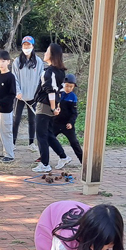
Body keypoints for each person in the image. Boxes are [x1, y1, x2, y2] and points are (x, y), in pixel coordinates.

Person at [32, 43, 67, 173]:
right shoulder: (60, 72)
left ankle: (45, 164)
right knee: (48, 134)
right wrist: (57, 107)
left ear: (52, 54)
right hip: (51, 106)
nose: (45, 52)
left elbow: (51, 92)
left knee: (41, 135)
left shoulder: (50, 72)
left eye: (47, 50)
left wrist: (54, 108)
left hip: (45, 106)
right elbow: (60, 92)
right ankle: (63, 156)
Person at [12, 36, 45, 152]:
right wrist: (18, 92)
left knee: (33, 120)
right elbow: (14, 78)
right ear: (22, 46)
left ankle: (31, 143)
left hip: (33, 97)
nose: (26, 47)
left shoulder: (39, 62)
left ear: (33, 46)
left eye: (28, 45)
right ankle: (13, 143)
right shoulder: (16, 61)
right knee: (16, 120)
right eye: (24, 45)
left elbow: (42, 78)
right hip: (19, 97)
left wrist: (38, 93)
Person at [0, 50, 17, 163]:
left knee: (5, 131)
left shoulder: (10, 77)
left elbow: (12, 94)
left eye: (3, 61)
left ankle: (9, 154)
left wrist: (1, 102)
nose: (0, 64)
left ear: (8, 62)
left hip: (5, 110)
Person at [51, 73, 82, 167]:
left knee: (74, 142)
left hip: (67, 124)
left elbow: (74, 113)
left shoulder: (73, 97)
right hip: (56, 123)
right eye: (67, 86)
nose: (69, 88)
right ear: (63, 84)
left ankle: (83, 161)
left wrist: (71, 123)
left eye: (71, 87)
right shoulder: (58, 94)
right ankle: (44, 158)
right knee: (48, 138)